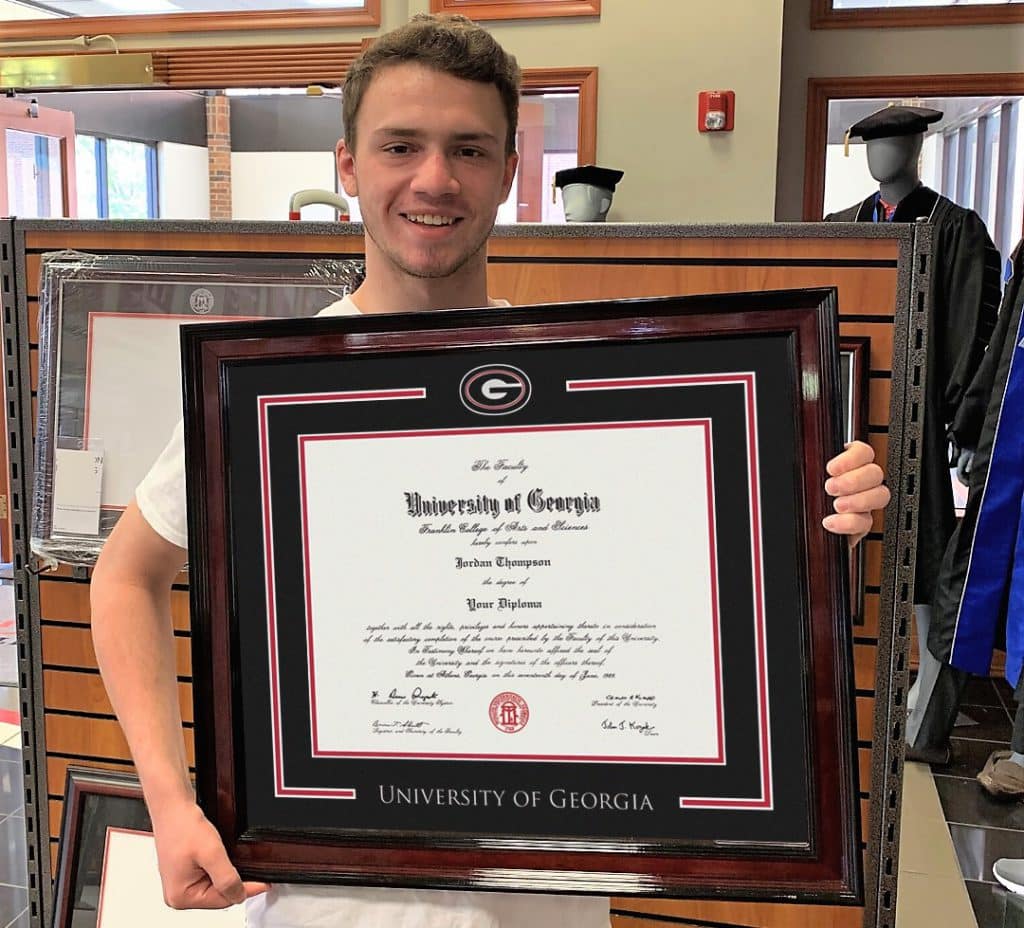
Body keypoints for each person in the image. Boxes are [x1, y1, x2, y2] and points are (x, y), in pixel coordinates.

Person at [90, 13, 891, 927]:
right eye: (401, 146)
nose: (434, 180)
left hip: (543, 898)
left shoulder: (595, 390)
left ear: (510, 171)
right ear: (349, 167)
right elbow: (124, 575)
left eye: (469, 149)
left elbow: (689, 582)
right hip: (325, 897)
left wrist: (809, 512)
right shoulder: (272, 387)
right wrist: (168, 798)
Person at [824, 104, 1003, 763]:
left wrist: (962, 416)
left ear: (917, 147)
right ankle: (852, 689)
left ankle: (926, 701)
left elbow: (969, 331)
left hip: (921, 420)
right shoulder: (841, 228)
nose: (880, 157)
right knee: (845, 546)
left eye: (892, 144)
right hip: (850, 407)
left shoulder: (956, 228)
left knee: (925, 554)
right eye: (872, 146)